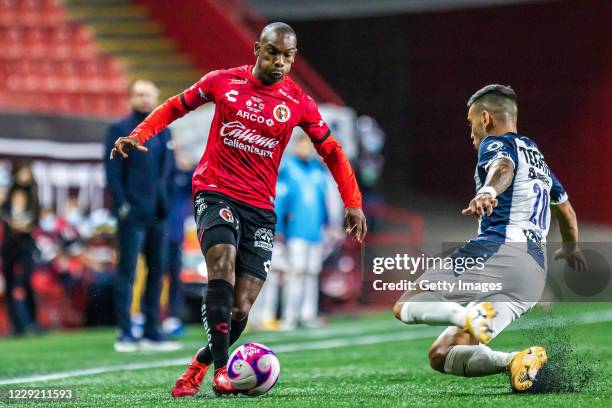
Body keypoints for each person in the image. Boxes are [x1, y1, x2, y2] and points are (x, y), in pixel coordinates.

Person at [109, 22, 367, 397]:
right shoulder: (223, 82)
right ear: (257, 49)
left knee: (242, 307)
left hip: (260, 207)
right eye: (273, 52)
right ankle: (220, 373)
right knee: (222, 264)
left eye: (288, 56)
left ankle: (201, 362)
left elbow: (332, 151)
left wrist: (353, 201)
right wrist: (140, 134)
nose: (280, 62)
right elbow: (174, 107)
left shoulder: (298, 101)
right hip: (215, 191)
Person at [392, 84, 587, 392]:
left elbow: (503, 166)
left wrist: (487, 190)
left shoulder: (496, 143)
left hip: (500, 250)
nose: (472, 133)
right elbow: (567, 212)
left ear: (485, 118)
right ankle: (515, 361)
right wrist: (571, 247)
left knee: (407, 304)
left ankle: (464, 314)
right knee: (442, 355)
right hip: (532, 278)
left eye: (471, 124)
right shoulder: (539, 159)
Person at [104, 80, 178, 352]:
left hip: (158, 212)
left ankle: (151, 329)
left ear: (157, 97)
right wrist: (122, 204)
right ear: (131, 98)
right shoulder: (119, 129)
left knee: (157, 271)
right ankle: (124, 331)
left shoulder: (164, 132)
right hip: (132, 212)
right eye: (139, 94)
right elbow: (112, 172)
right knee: (128, 271)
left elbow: (167, 172)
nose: (144, 99)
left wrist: (166, 201)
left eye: (149, 95)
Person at [276, 133, 330, 330]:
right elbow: (281, 200)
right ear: (296, 146)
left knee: (312, 274)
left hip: (315, 232)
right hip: (295, 231)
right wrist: (279, 228)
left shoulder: (317, 170)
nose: (307, 149)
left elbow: (323, 202)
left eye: (310, 145)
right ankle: (289, 316)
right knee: (295, 273)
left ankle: (308, 315)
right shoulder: (288, 168)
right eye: (303, 145)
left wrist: (327, 225)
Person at [1, 162, 40, 335]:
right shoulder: (7, 198)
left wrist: (25, 226)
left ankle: (32, 322)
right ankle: (17, 325)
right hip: (10, 245)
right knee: (10, 285)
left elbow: (34, 222)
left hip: (25, 244)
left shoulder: (32, 199)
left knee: (25, 281)